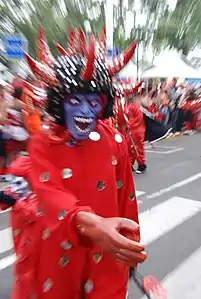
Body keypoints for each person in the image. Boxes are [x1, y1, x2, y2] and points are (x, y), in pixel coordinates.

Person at [0, 27, 147, 299]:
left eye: (93, 103)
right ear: (60, 103)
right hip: (59, 253)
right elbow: (50, 194)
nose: (84, 111)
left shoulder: (114, 139)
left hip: (106, 255)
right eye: (76, 101)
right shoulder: (42, 142)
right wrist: (91, 225)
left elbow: (126, 197)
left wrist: (129, 247)